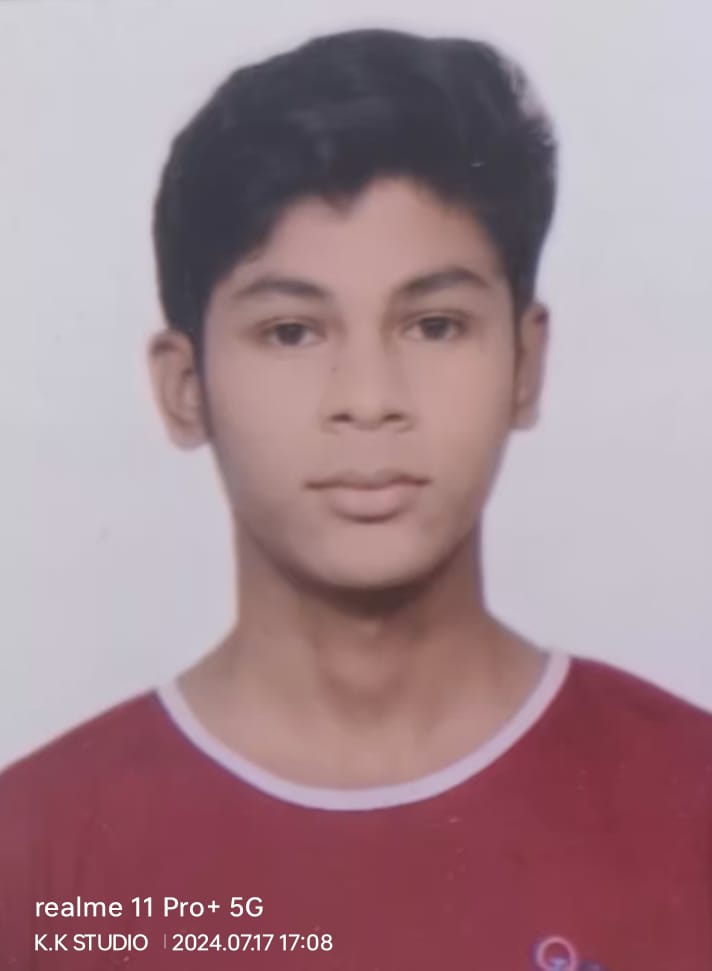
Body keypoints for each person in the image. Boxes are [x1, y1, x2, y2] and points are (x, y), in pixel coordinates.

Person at [1, 27, 710, 971]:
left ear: (525, 363)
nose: (369, 398)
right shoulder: (37, 861)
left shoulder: (692, 803)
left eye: (434, 324)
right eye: (292, 331)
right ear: (184, 387)